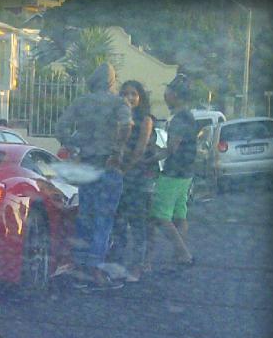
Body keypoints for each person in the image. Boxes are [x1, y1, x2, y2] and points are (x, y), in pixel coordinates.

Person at [55, 62, 133, 290]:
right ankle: (96, 270)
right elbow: (127, 125)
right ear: (111, 81)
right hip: (108, 165)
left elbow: (61, 127)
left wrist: (74, 147)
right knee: (104, 219)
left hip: (86, 166)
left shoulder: (81, 102)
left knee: (86, 216)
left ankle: (80, 267)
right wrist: (117, 149)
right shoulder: (119, 103)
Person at [145, 73, 197, 270]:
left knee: (160, 215)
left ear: (174, 95)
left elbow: (171, 149)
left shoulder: (178, 120)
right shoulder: (189, 117)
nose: (165, 95)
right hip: (187, 173)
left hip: (173, 173)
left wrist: (149, 158)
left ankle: (184, 253)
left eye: (167, 92)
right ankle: (179, 256)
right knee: (179, 214)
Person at [110, 80, 155, 282]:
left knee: (138, 224)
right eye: (125, 93)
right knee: (118, 224)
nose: (129, 97)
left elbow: (140, 150)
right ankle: (117, 265)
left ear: (140, 97)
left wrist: (124, 169)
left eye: (133, 94)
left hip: (137, 178)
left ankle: (137, 266)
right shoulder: (118, 118)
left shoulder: (145, 119)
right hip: (119, 177)